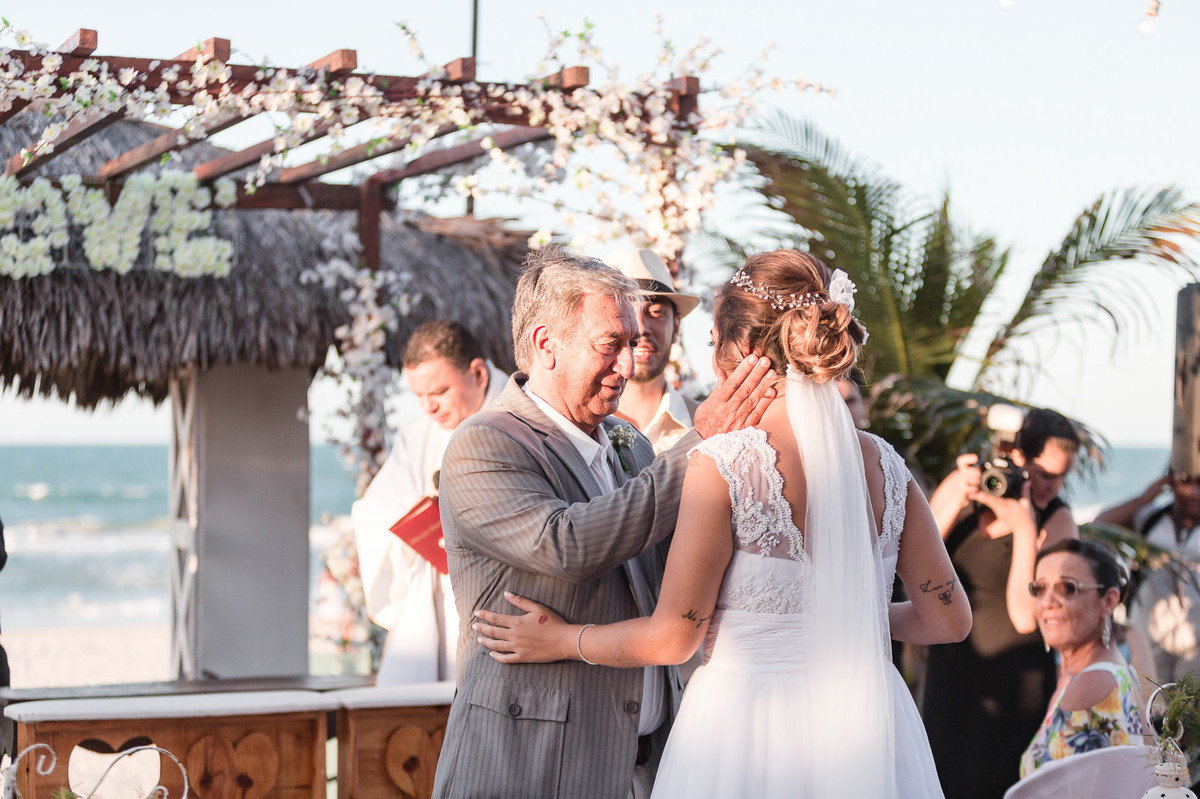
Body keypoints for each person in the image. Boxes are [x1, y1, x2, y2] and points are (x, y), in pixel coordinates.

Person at [472, 250, 972, 798]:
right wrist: (840, 612)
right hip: (869, 722)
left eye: (713, 343)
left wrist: (566, 640)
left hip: (746, 731)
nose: (713, 358)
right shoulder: (886, 466)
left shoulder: (725, 464)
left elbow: (672, 637)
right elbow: (949, 621)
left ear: (747, 350)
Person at [429, 246, 776, 799]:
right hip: (528, 769)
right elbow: (567, 545)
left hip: (647, 767)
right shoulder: (484, 442)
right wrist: (699, 445)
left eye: (632, 343)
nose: (627, 364)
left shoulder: (630, 443)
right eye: (610, 344)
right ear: (546, 344)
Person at [923, 408, 1081, 799]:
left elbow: (1026, 617)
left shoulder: (1057, 520)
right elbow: (911, 555)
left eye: (1062, 476)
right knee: (942, 780)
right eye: (1045, 474)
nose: (1053, 486)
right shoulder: (969, 490)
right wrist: (961, 488)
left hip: (1017, 682)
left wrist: (1026, 529)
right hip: (953, 672)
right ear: (1019, 459)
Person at [349, 319, 507, 685]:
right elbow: (373, 514)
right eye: (418, 396)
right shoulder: (418, 436)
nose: (428, 407)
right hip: (438, 598)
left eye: (438, 391)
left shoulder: (523, 419)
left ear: (478, 374)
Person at [1017, 538, 1144, 778]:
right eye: (1040, 588)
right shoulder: (1096, 674)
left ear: (1108, 601)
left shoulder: (1091, 684)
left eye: (1068, 587)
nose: (1048, 603)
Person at [1095, 470, 1200, 682]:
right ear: (1171, 480)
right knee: (1150, 702)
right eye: (1187, 481)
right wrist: (1146, 497)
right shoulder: (1150, 517)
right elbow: (1098, 526)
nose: (1195, 492)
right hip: (1149, 633)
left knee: (1190, 709)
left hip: (1196, 639)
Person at [605, 249, 702, 454]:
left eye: (655, 312)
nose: (640, 328)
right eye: (627, 311)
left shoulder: (704, 428)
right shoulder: (581, 429)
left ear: (676, 327)